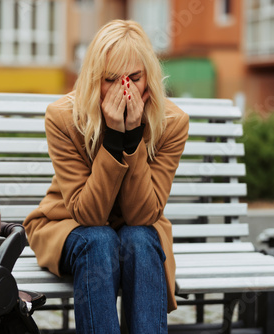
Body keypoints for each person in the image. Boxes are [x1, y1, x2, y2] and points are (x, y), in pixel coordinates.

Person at [23, 19, 189, 334]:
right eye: (110, 79)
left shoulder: (172, 122)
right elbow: (89, 215)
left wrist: (134, 139)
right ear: (94, 78)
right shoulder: (63, 117)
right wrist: (112, 139)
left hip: (137, 229)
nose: (123, 91)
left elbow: (143, 216)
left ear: (149, 78)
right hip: (68, 225)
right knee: (99, 240)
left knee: (139, 239)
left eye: (134, 78)